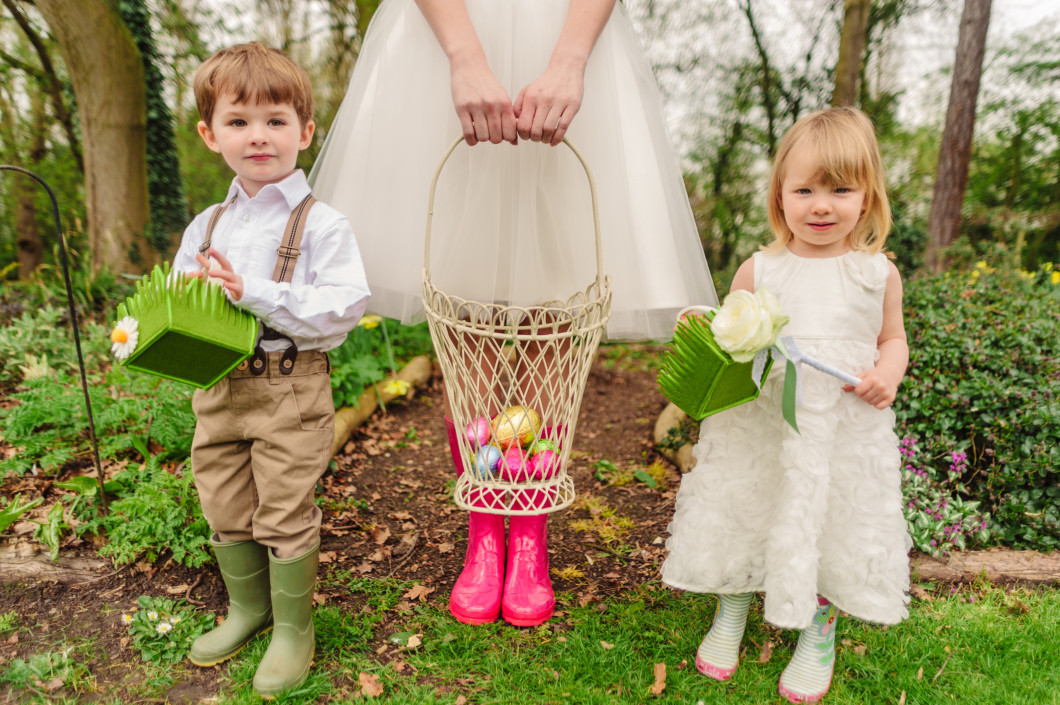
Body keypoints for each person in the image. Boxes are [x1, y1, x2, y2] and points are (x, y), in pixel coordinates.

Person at [310, 0, 717, 627]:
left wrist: (571, 58)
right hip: (442, 36)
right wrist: (465, 58)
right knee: (461, 308)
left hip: (566, 31)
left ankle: (528, 540)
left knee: (557, 307)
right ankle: (483, 534)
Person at [660, 107, 912, 703]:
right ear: (780, 195)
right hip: (762, 418)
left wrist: (887, 374)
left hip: (838, 426)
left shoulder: (875, 274)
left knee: (827, 519)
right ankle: (733, 605)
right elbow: (730, 332)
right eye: (804, 190)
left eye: (840, 189)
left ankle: (818, 630)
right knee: (750, 505)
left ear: (867, 195)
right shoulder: (762, 266)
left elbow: (893, 338)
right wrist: (704, 329)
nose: (821, 206)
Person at [171, 42, 370, 697]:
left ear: (305, 131)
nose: (258, 135)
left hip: (290, 387)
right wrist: (150, 336)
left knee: (284, 508)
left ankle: (292, 629)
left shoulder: (323, 225)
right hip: (218, 391)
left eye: (276, 120)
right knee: (224, 502)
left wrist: (250, 290)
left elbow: (341, 312)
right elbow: (180, 304)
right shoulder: (206, 225)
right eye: (239, 121)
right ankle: (248, 608)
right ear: (210, 134)